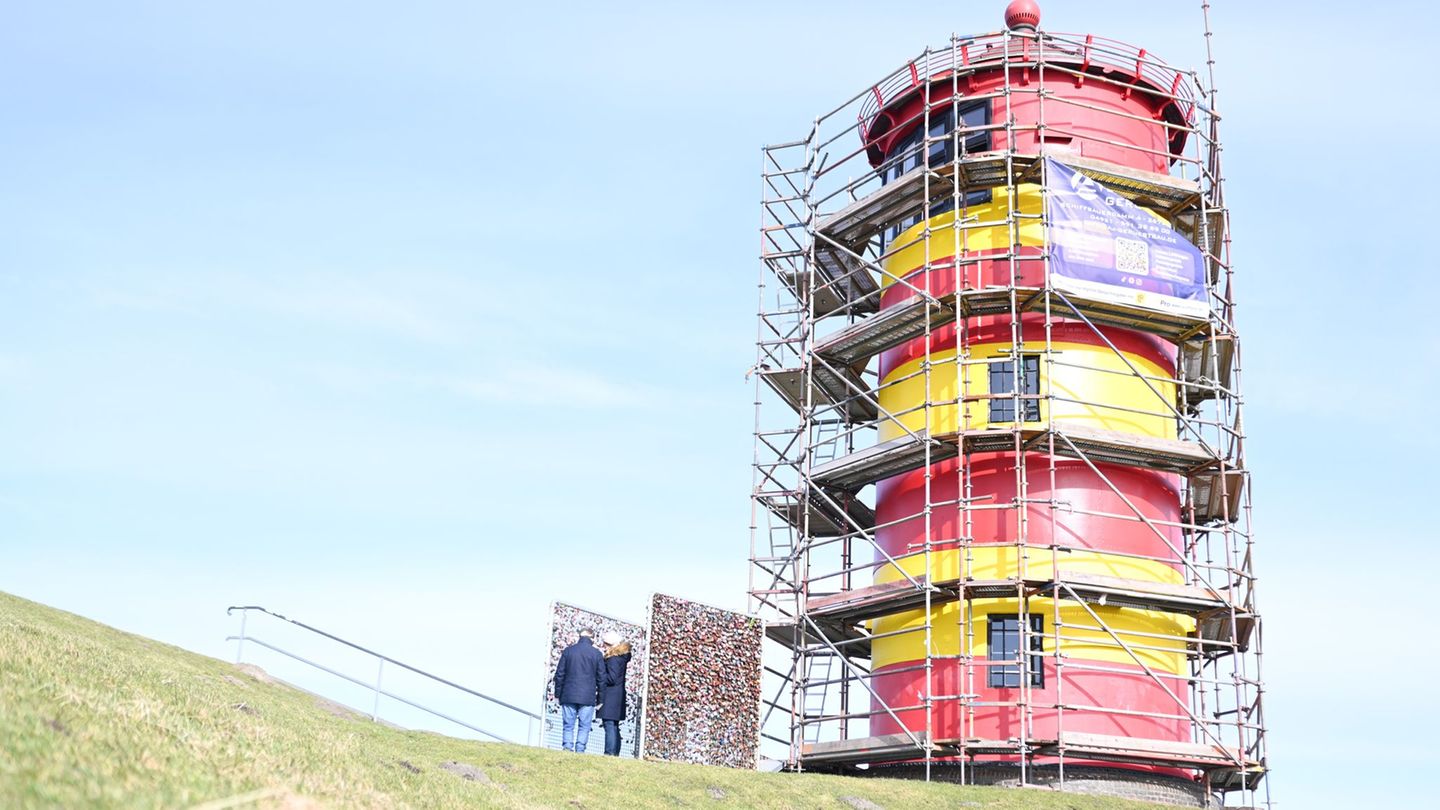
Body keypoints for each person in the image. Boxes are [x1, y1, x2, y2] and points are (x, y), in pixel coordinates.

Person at [553, 627, 604, 752]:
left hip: (568, 694)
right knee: (584, 725)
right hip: (587, 696)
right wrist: (601, 698)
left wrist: (558, 693)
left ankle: (567, 747)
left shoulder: (568, 651)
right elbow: (601, 678)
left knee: (568, 725)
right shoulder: (597, 654)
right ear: (592, 637)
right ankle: (580, 749)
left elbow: (559, 674)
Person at [598, 630, 632, 757]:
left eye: (606, 644)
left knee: (609, 724)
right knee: (614, 725)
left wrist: (600, 676)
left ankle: (609, 752)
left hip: (610, 696)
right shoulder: (621, 658)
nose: (604, 646)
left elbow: (611, 678)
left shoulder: (613, 659)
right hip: (618, 696)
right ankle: (614, 752)